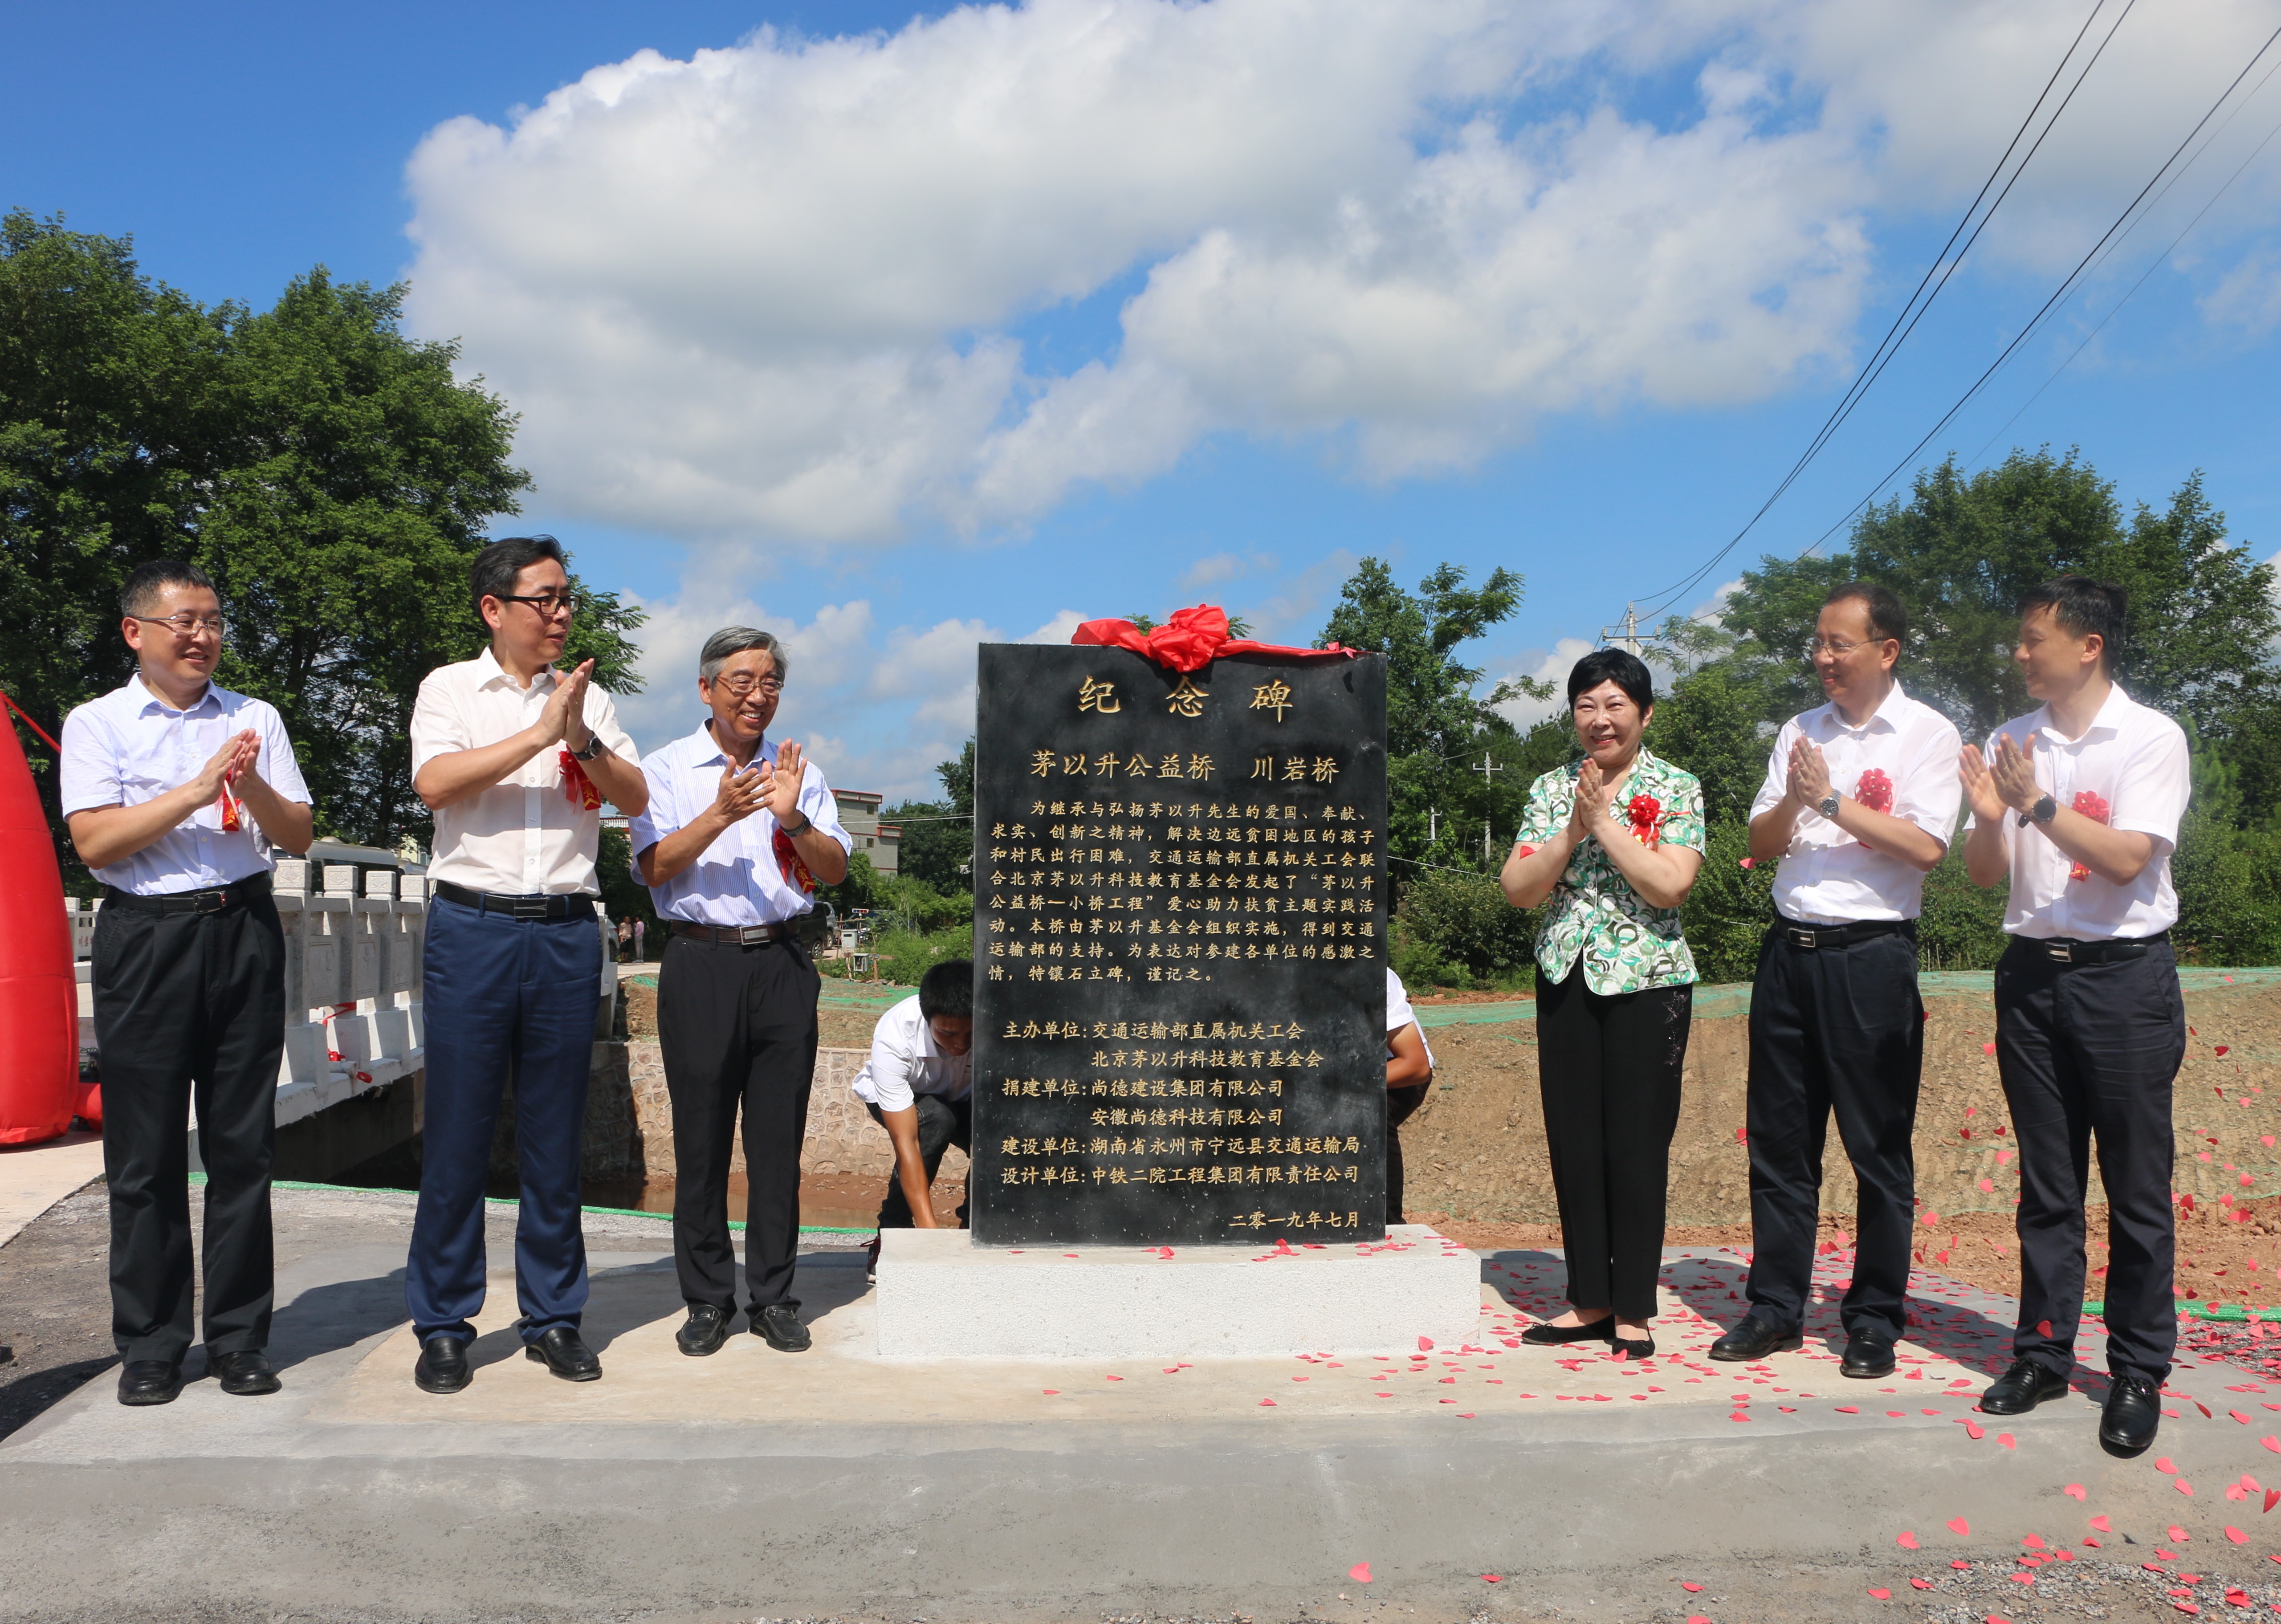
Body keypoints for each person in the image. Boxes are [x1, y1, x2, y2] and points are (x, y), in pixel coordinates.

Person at [60, 559, 314, 1406]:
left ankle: (240, 1339)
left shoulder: (255, 717)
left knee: (244, 1148)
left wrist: (250, 786)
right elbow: (97, 844)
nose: (203, 635)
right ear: (137, 632)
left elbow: (300, 834)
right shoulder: (99, 723)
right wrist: (199, 787)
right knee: (145, 1154)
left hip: (241, 927)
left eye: (213, 620)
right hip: (147, 937)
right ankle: (152, 1344)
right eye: (185, 621)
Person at [403, 536, 648, 1394]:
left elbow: (634, 797)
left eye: (566, 598)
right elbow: (436, 784)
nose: (560, 614)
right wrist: (537, 733)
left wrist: (576, 737)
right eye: (543, 599)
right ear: (493, 608)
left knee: (555, 1135)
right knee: (460, 1135)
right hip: (472, 927)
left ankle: (553, 1315)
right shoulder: (449, 689)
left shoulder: (592, 699)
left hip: (566, 932)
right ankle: (442, 1323)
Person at [1959, 577, 2189, 1453]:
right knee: (2045, 1183)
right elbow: (1985, 872)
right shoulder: (2009, 741)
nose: (2018, 653)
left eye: (2032, 639)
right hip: (2028, 977)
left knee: (2135, 1185)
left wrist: (2036, 806)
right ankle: (2042, 1352)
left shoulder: (2146, 737)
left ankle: (2134, 1367)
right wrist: (1989, 818)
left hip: (2121, 980)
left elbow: (2129, 857)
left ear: (2086, 644)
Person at [1712, 584, 1963, 1376]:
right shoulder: (1798, 730)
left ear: (1885, 650)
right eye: (1817, 644)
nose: (1822, 658)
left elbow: (1924, 846)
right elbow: (1757, 839)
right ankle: (1776, 1307)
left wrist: (1829, 798)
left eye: (1838, 644)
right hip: (1790, 950)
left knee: (1876, 1145)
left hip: (1871, 958)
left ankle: (1873, 1315)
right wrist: (1793, 797)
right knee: (1781, 1142)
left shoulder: (1927, 733)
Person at [631, 627, 851, 1356]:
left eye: (770, 682)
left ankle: (775, 1296)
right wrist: (721, 813)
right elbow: (655, 866)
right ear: (706, 689)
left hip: (781, 964)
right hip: (700, 963)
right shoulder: (663, 769)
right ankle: (705, 1300)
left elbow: (834, 869)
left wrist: (791, 815)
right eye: (742, 681)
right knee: (698, 1141)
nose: (758, 695)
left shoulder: (798, 770)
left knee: (776, 1145)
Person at [1500, 648, 1704, 1359]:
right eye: (1586, 704)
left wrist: (1608, 824)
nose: (1599, 718)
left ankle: (1634, 1306)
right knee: (1575, 1140)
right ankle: (1588, 1297)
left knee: (1638, 1140)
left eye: (1615, 704)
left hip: (1648, 980)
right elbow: (1519, 887)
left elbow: (1669, 885)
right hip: (1566, 973)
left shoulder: (1676, 786)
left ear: (1644, 714)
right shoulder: (1550, 787)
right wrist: (1572, 828)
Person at [852, 959, 975, 1282]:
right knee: (937, 1119)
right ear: (927, 1018)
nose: (961, 1044)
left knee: (1001, 1133)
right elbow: (907, 1143)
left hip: (964, 1096)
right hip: (901, 1099)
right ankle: (892, 1233)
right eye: (948, 1034)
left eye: (970, 1033)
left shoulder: (999, 1023)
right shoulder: (896, 1034)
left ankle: (976, 1228)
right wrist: (930, 1240)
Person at [1384, 966, 1435, 1228]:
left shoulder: (1372, 973)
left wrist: (1336, 1085)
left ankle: (1386, 1223)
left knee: (1366, 1111)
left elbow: (1416, 1066)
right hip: (1323, 1076)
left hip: (1393, 1075)